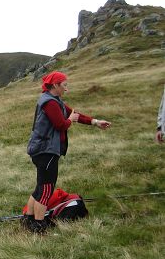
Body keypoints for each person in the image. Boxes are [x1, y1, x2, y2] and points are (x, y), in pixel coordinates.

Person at [24, 71, 111, 233]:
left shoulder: (54, 101)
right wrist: (70, 119)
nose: (67, 88)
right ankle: (38, 225)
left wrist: (95, 122)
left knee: (41, 187)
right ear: (55, 85)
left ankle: (29, 220)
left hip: (42, 150)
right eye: (64, 85)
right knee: (47, 189)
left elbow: (75, 115)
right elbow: (61, 124)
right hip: (46, 151)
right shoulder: (50, 103)